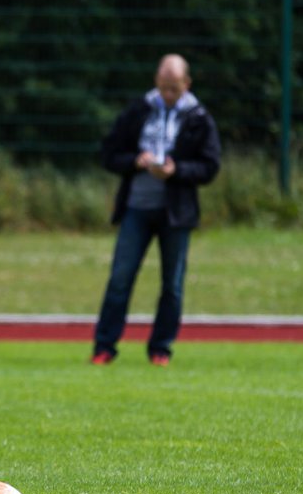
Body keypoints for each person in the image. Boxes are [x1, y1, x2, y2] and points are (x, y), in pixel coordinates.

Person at [91, 54, 222, 367]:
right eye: (163, 87)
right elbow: (109, 153)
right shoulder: (138, 110)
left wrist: (177, 171)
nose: (167, 94)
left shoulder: (199, 117)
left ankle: (161, 349)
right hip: (137, 207)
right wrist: (134, 161)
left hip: (176, 214)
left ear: (186, 84)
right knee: (120, 277)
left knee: (172, 284)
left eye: (174, 88)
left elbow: (210, 166)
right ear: (156, 81)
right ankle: (104, 347)